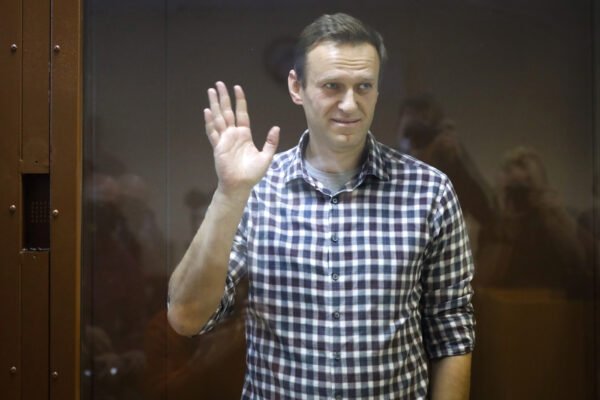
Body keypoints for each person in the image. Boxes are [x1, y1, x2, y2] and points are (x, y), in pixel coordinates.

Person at [168, 13, 475, 399]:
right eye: (332, 86)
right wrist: (229, 194)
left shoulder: (429, 192)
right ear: (297, 87)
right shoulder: (256, 190)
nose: (350, 104)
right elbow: (186, 318)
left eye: (364, 86)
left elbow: (450, 329)